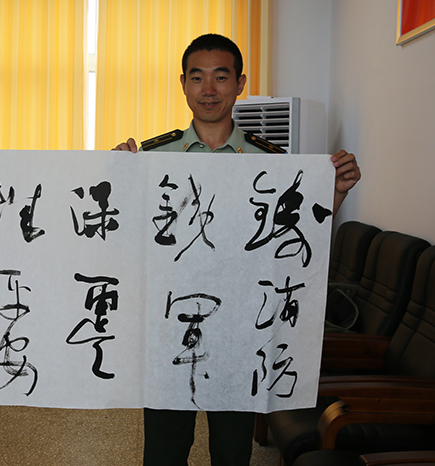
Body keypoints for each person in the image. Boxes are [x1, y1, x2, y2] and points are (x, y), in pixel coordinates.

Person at [113, 34, 361, 466]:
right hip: (169, 324)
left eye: (221, 77)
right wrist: (115, 177)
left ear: (240, 83)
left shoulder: (273, 162)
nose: (208, 89)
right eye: (197, 78)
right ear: (183, 84)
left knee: (232, 451)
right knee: (164, 450)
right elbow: (122, 238)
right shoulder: (151, 159)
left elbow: (297, 237)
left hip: (242, 329)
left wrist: (336, 192)